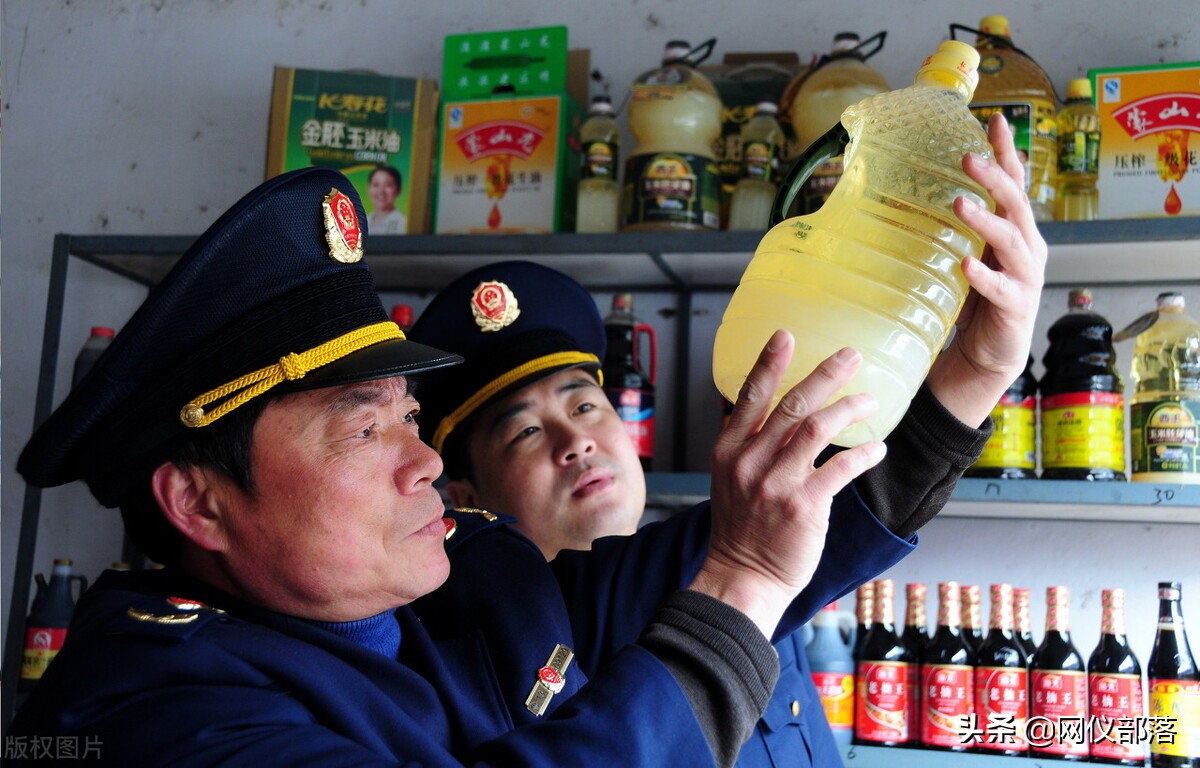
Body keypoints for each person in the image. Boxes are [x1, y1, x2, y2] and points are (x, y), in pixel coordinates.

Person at [11, 166, 913, 767]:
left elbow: (767, 537)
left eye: (411, 419)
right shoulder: (150, 716)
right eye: (362, 433)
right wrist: (745, 580)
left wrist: (961, 384)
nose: (424, 466)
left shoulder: (466, 584)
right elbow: (743, 566)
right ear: (198, 503)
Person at [407, 111, 1046, 766]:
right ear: (462, 492)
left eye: (586, 405)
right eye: (526, 432)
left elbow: (826, 511)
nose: (575, 441)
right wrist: (971, 377)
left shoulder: (735, 547)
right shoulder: (512, 632)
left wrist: (978, 367)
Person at [367, 163, 407, 234]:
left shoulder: (404, 225)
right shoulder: (361, 223)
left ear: (398, 190)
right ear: (369, 188)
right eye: (376, 185)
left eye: (388, 185)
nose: (381, 191)